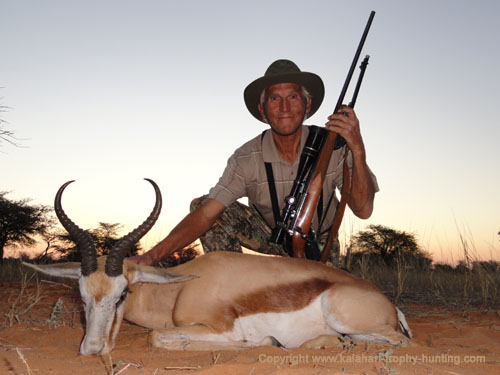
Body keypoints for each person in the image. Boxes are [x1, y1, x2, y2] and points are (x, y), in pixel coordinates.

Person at [131, 59, 378, 266]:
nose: (284, 107)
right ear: (262, 110)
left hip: (319, 245)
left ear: (307, 105)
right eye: (274, 99)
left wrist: (357, 150)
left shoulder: (333, 147)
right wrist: (152, 256)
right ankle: (233, 294)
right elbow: (206, 214)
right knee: (202, 204)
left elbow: (363, 210)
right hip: (272, 236)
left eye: (293, 96)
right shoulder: (246, 157)